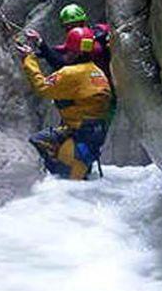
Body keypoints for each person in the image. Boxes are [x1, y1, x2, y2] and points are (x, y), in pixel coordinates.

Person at [16, 26, 112, 180]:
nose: (65, 54)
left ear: (76, 53)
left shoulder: (71, 73)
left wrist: (29, 59)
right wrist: (39, 43)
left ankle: (54, 172)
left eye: (68, 51)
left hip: (78, 136)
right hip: (91, 137)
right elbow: (60, 61)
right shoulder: (97, 72)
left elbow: (42, 87)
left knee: (39, 142)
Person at [25, 3, 112, 84]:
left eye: (69, 27)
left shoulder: (87, 45)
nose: (69, 31)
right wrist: (37, 52)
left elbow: (62, 63)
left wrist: (40, 43)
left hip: (96, 84)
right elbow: (62, 50)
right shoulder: (99, 31)